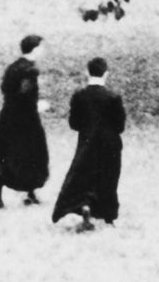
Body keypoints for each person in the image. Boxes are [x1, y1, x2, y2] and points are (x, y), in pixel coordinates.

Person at [51, 57, 126, 228]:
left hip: (87, 142)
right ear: (106, 74)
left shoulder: (79, 96)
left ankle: (84, 204)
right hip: (109, 144)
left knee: (83, 177)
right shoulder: (114, 97)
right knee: (108, 177)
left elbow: (74, 123)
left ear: (87, 73)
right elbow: (120, 126)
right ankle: (108, 216)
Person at [0, 35, 49, 208]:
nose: (44, 51)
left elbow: (7, 89)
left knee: (3, 153)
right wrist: (37, 106)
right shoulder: (29, 70)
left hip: (7, 117)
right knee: (33, 153)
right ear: (35, 49)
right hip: (25, 119)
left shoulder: (13, 67)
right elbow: (24, 94)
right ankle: (29, 193)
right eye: (42, 47)